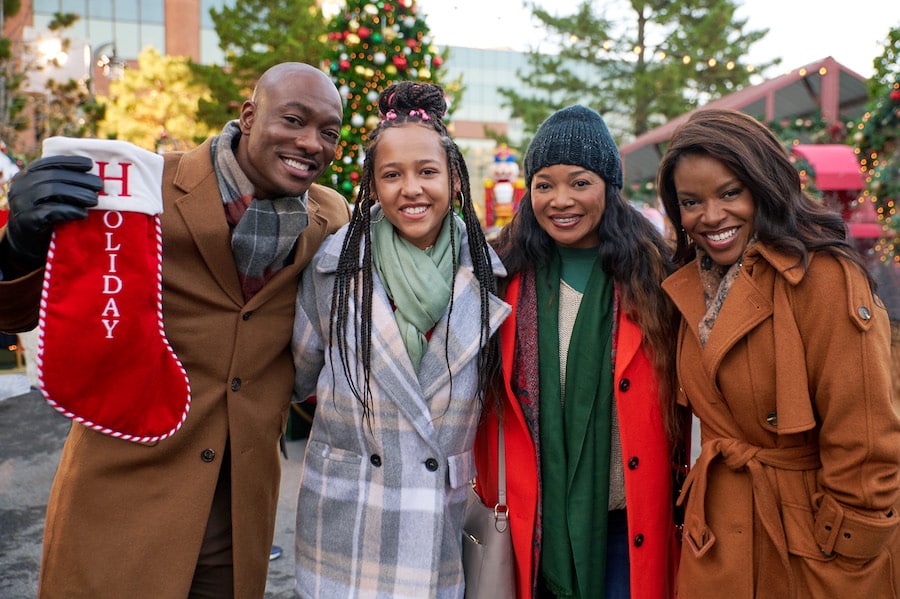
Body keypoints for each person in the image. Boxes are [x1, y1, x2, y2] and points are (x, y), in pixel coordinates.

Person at [0, 62, 351, 598]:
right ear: (250, 116)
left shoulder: (331, 215)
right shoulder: (141, 188)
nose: (311, 143)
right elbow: (20, 314)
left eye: (329, 132)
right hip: (124, 498)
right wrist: (18, 246)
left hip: (239, 517)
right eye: (294, 120)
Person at [656, 108, 900, 598]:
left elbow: (866, 436)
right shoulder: (689, 285)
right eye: (690, 202)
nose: (711, 216)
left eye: (730, 193)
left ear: (764, 186)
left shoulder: (824, 277)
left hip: (809, 545)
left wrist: (847, 548)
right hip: (718, 540)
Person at [290, 81, 511, 598]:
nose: (411, 189)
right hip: (347, 517)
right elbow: (296, 376)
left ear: (455, 179)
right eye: (392, 175)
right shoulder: (333, 267)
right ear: (373, 184)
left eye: (427, 172)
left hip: (438, 522)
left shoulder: (488, 274)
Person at [472, 105, 686, 598]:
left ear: (609, 187)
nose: (559, 200)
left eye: (579, 182)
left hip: (627, 527)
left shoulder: (658, 280)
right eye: (544, 184)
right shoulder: (500, 279)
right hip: (532, 528)